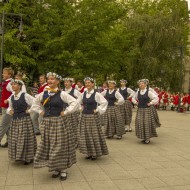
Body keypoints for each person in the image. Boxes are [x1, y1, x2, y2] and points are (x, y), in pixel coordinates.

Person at [31, 72, 78, 181]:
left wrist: (66, 112)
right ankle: (56, 167)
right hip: (47, 123)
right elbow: (34, 103)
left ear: (57, 81)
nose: (50, 81)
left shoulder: (62, 94)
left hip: (59, 122)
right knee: (50, 145)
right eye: (49, 79)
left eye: (52, 79)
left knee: (60, 145)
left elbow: (75, 102)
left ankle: (63, 169)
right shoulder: (44, 93)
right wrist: (40, 111)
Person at [78, 77, 108, 160]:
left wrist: (97, 109)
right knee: (85, 135)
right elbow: (77, 102)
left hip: (92, 117)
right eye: (86, 83)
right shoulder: (83, 94)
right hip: (84, 117)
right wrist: (80, 108)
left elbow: (104, 102)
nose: (87, 84)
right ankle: (88, 152)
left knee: (93, 134)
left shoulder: (97, 94)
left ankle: (94, 153)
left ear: (93, 84)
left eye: (89, 83)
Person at [7, 79, 37, 164]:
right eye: (12, 84)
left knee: (25, 138)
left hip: (24, 120)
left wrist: (29, 110)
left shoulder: (25, 95)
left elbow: (35, 103)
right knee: (15, 138)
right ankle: (18, 156)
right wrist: (10, 111)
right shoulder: (12, 97)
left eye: (15, 84)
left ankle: (28, 157)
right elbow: (10, 107)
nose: (13, 86)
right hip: (15, 120)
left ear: (20, 86)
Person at [132, 79, 161, 144]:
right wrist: (135, 102)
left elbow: (156, 98)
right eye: (140, 84)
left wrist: (150, 103)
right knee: (140, 122)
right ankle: (143, 137)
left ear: (145, 84)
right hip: (140, 110)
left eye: (142, 83)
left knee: (146, 123)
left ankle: (147, 138)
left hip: (147, 110)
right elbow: (133, 98)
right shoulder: (138, 92)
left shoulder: (148, 92)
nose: (141, 85)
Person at [63, 78, 81, 147]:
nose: (66, 83)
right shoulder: (62, 91)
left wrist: (79, 107)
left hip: (73, 112)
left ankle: (76, 142)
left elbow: (80, 98)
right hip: (64, 111)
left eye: (67, 82)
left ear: (71, 83)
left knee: (74, 127)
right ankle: (68, 142)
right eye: (65, 82)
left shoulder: (75, 91)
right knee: (65, 127)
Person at [0, 67, 14, 147]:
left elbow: (15, 92)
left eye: (5, 73)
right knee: (7, 126)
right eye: (3, 73)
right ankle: (10, 142)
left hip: (8, 107)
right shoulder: (5, 82)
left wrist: (8, 100)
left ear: (9, 75)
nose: (3, 74)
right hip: (4, 106)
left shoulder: (10, 83)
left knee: (3, 125)